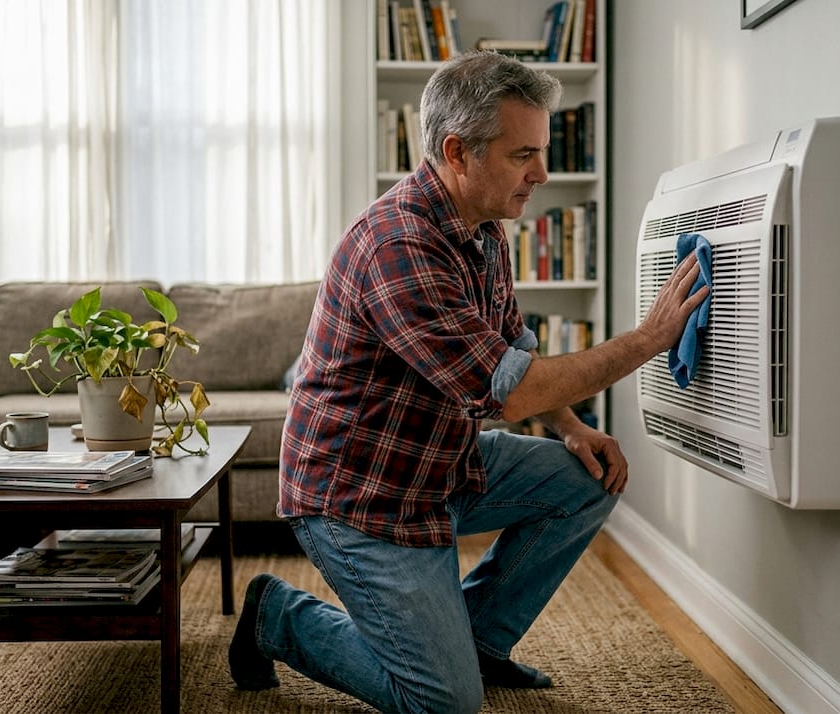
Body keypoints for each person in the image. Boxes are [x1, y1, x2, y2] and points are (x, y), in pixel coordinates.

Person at [228, 50, 709, 713]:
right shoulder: (400, 247)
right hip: (360, 497)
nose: (542, 173)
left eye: (540, 152)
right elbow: (510, 393)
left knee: (587, 480)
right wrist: (648, 339)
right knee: (444, 706)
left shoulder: (481, 230)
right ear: (458, 152)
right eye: (523, 156)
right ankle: (278, 617)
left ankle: (476, 640)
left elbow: (513, 355)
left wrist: (573, 430)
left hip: (439, 466)